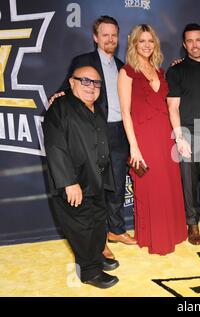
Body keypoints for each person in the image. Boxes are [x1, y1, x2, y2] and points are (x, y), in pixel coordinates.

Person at [56, 16, 136, 260]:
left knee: (117, 187)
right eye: (105, 35)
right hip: (94, 135)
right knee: (96, 190)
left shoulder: (123, 66)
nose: (110, 39)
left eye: (114, 35)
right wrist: (57, 96)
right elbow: (66, 90)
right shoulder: (84, 62)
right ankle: (99, 241)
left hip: (120, 132)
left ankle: (117, 230)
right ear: (95, 37)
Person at [44, 66, 119, 289]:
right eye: (85, 81)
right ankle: (89, 271)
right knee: (81, 227)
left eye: (96, 83)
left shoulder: (98, 109)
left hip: (97, 180)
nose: (91, 87)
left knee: (97, 223)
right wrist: (68, 182)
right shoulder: (60, 107)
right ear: (71, 82)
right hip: (74, 183)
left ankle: (95, 257)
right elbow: (55, 146)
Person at [118, 24, 187, 255]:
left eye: (150, 41)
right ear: (134, 43)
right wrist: (134, 148)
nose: (146, 45)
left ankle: (173, 233)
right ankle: (156, 238)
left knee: (168, 187)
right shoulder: (126, 72)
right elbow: (125, 112)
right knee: (152, 189)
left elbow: (169, 106)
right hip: (144, 140)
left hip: (165, 138)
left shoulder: (160, 71)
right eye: (142, 41)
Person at [166, 24, 200, 245]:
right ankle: (192, 223)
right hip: (187, 133)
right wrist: (179, 138)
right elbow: (172, 107)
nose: (194, 45)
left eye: (198, 40)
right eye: (189, 41)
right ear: (184, 44)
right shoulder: (176, 71)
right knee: (188, 182)